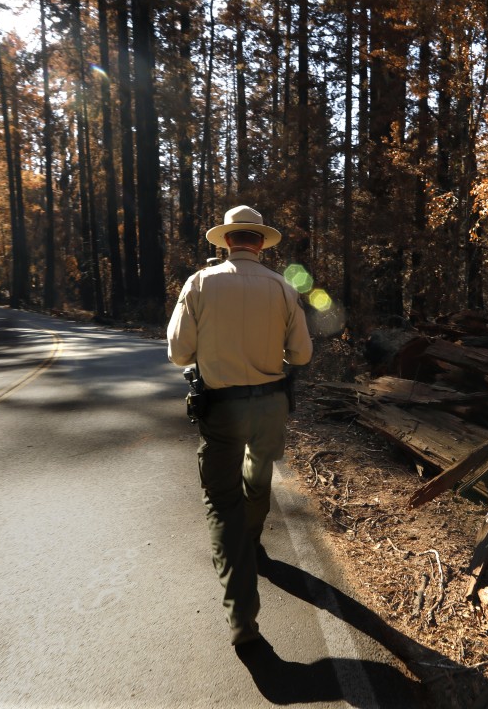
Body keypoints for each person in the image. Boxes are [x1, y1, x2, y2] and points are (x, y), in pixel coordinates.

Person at [167, 205, 312, 647]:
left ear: (226, 241)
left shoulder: (200, 283)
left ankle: (242, 617)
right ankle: (251, 540)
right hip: (270, 405)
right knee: (258, 475)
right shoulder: (283, 288)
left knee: (221, 500)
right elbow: (302, 355)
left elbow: (178, 352)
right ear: (260, 244)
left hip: (223, 408)